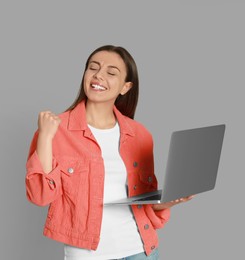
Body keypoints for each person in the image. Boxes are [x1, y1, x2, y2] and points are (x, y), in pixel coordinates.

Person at [25, 45, 193, 260]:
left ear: (125, 87)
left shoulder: (140, 135)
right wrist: (46, 137)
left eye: (111, 72)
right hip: (87, 255)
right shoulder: (55, 130)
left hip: (141, 251)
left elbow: (144, 202)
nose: (98, 75)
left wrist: (170, 201)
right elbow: (39, 196)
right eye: (93, 68)